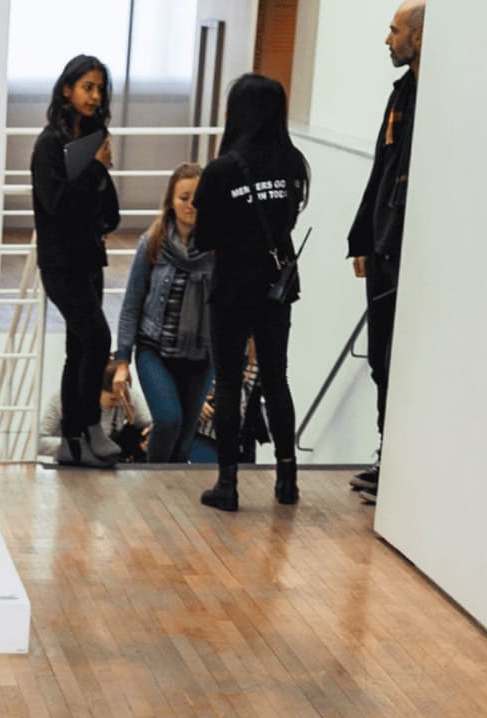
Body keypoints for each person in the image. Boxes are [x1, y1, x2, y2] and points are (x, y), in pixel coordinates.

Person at [192, 71, 308, 511]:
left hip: (233, 287)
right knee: (276, 378)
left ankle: (227, 484)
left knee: (226, 380)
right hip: (276, 287)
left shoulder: (222, 170)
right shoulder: (293, 163)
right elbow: (288, 219)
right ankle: (287, 478)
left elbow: (203, 238)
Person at [345, 4, 422, 500]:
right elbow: (381, 170)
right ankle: (384, 454)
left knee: (399, 362)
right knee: (379, 360)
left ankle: (399, 465)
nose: (387, 39)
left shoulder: (433, 100)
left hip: (404, 250)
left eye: (395, 30)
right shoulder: (401, 95)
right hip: (382, 246)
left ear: (419, 38)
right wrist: (361, 239)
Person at [29, 56, 122, 468]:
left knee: (77, 349)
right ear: (67, 89)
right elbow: (57, 204)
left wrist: (101, 173)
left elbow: (109, 209)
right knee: (98, 340)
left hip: (89, 257)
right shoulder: (49, 145)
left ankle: (71, 443)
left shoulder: (93, 137)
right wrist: (95, 169)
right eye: (87, 86)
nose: (95, 95)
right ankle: (89, 427)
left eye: (99, 88)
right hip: (61, 262)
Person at [112, 164, 217, 464]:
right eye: (183, 197)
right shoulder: (153, 242)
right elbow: (131, 305)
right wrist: (122, 360)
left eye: (197, 198)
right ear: (171, 200)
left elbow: (229, 302)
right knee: (169, 419)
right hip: (154, 350)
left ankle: (168, 502)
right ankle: (151, 485)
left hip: (201, 356)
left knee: (184, 439)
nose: (190, 205)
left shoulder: (217, 248)